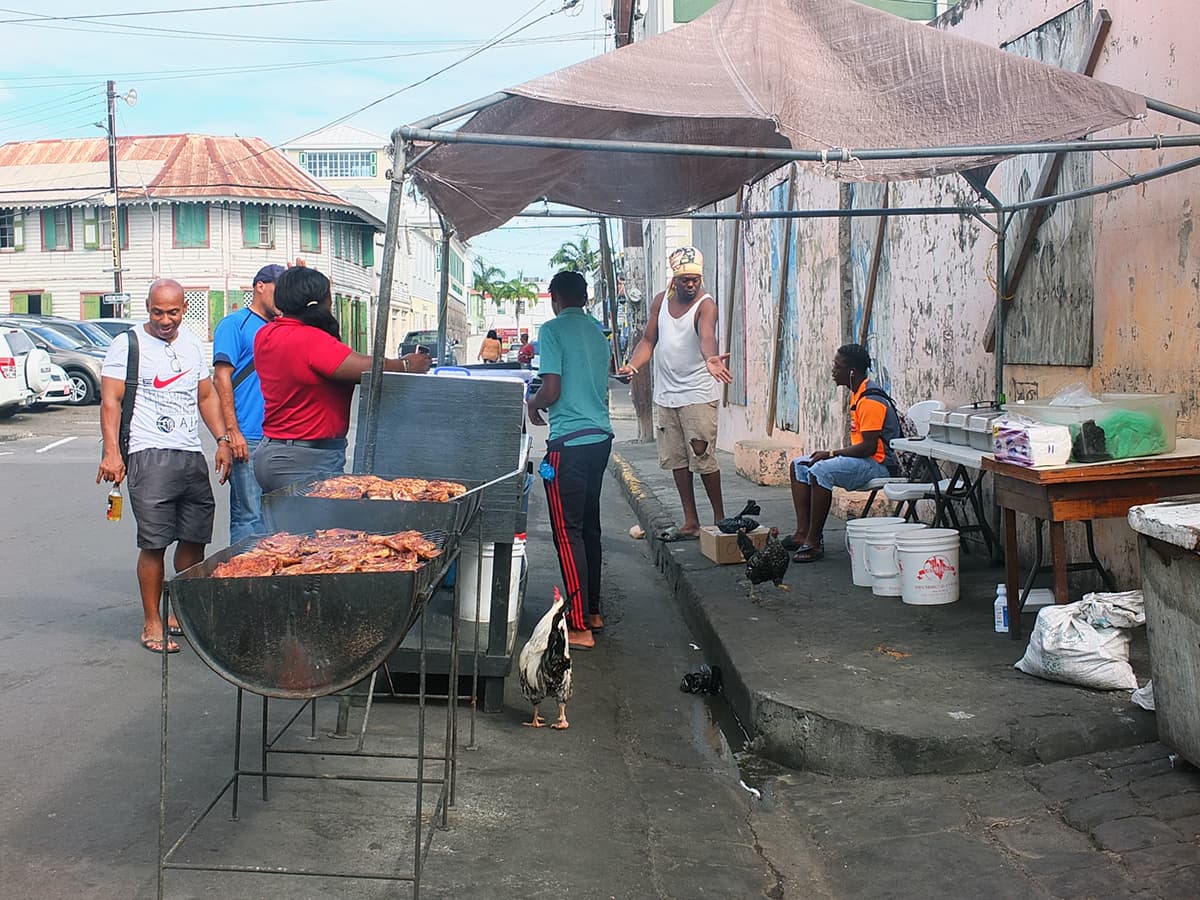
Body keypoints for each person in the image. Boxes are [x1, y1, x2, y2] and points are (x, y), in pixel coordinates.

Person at [97, 279, 233, 654]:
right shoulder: (126, 344)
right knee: (154, 542)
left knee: (194, 538)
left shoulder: (191, 344)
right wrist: (112, 452)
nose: (165, 320)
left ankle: (179, 614)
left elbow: (205, 396)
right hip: (147, 452)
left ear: (184, 309)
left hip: (189, 454)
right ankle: (152, 621)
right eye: (158, 312)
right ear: (147, 307)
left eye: (172, 312)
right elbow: (111, 401)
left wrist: (221, 440)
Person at [252, 266, 432, 495]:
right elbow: (368, 368)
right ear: (319, 303)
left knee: (282, 529)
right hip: (304, 460)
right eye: (330, 296)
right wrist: (406, 365)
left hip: (272, 452)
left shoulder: (266, 334)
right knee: (317, 530)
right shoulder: (310, 341)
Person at [618, 246, 731, 541]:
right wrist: (633, 365)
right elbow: (648, 340)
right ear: (675, 279)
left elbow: (707, 335)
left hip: (697, 394)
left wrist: (711, 358)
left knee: (703, 457)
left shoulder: (706, 305)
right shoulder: (660, 302)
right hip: (667, 395)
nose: (691, 285)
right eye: (685, 280)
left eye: (695, 279)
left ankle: (720, 520)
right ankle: (690, 521)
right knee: (677, 461)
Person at [526, 271, 613, 650]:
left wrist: (532, 403)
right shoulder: (598, 331)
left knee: (567, 532)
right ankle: (592, 609)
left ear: (554, 298)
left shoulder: (552, 330)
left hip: (569, 444)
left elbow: (552, 388)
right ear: (586, 296)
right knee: (588, 527)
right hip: (599, 440)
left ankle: (579, 626)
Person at [786, 343, 901, 563]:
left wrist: (830, 453)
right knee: (799, 465)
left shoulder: (870, 400)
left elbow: (867, 447)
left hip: (879, 465)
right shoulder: (857, 393)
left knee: (820, 470)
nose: (833, 371)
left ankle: (814, 540)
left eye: (837, 367)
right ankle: (802, 533)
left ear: (852, 372)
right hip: (864, 460)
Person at [212, 263, 282, 543]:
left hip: (279, 438)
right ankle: (243, 579)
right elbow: (221, 378)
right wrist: (232, 432)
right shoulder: (234, 324)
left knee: (276, 517)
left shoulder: (282, 327)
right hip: (248, 438)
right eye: (279, 289)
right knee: (248, 515)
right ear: (260, 286)